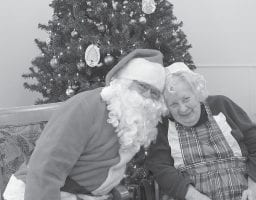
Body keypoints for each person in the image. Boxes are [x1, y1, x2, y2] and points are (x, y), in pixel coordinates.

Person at [3, 49, 168, 200]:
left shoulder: (135, 120)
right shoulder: (85, 107)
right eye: (142, 86)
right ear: (123, 81)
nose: (146, 96)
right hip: (41, 193)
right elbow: (45, 168)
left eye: (154, 93)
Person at [146, 62, 256, 200]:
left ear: (198, 93)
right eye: (174, 104)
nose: (182, 109)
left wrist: (254, 187)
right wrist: (194, 196)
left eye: (186, 99)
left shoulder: (222, 105)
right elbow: (160, 168)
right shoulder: (163, 125)